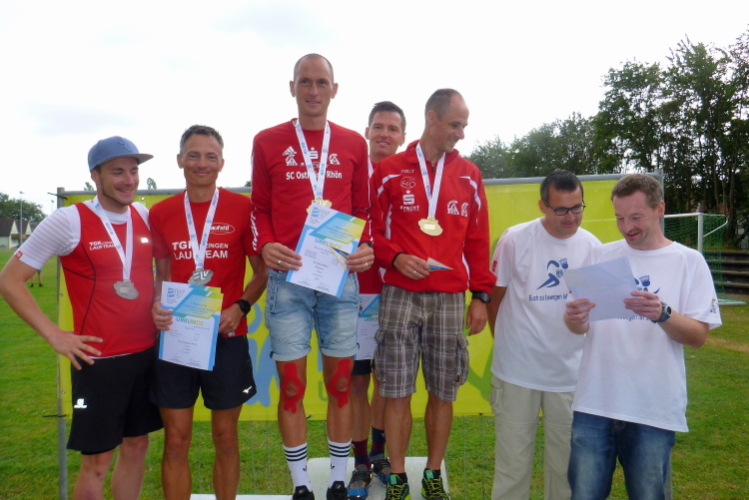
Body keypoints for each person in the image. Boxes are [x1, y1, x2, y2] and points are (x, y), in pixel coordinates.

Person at [0, 136, 162, 500]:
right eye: (117, 171)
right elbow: (9, 281)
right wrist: (54, 334)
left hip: (144, 355)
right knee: (97, 462)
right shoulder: (68, 220)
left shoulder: (144, 216)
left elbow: (151, 273)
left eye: (133, 171)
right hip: (97, 361)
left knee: (137, 447)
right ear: (95, 176)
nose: (128, 180)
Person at [250, 54, 374, 500]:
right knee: (292, 386)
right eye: (305, 81)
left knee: (341, 384)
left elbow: (364, 210)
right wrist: (266, 244)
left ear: (334, 89)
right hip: (289, 280)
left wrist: (365, 246)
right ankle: (301, 485)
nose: (314, 90)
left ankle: (338, 478)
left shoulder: (353, 143)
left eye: (322, 82)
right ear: (292, 87)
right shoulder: (267, 141)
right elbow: (259, 208)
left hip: (339, 279)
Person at [369, 89, 494, 500]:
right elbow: (371, 230)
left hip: (449, 297)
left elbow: (477, 240)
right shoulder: (388, 171)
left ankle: (433, 472)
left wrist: (481, 296)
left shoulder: (469, 175)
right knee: (396, 390)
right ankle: (398, 476)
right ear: (432, 119)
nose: (460, 134)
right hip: (400, 292)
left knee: (443, 391)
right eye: (455, 125)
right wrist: (395, 257)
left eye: (464, 126)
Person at [564, 173, 722, 500]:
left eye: (636, 217)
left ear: (659, 209)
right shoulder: (599, 256)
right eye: (620, 218)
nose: (627, 227)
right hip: (595, 403)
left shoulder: (689, 261)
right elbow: (579, 327)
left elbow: (698, 336)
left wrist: (662, 314)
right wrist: (574, 319)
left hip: (652, 408)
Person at [150, 125, 267, 500]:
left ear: (222, 163)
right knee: (176, 439)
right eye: (194, 155)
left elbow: (262, 272)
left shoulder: (242, 208)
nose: (202, 163)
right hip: (177, 338)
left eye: (210, 156)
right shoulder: (161, 212)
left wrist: (241, 307)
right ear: (180, 160)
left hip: (226, 338)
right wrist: (156, 305)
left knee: (225, 437)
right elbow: (161, 276)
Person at [487, 171, 601, 500]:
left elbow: (594, 314)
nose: (571, 217)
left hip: (570, 376)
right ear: (542, 206)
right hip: (517, 375)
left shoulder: (592, 247)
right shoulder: (514, 240)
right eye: (561, 209)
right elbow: (494, 300)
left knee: (566, 472)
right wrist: (510, 347)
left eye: (577, 207)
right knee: (512, 470)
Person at [347, 101, 407, 500]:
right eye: (378, 126)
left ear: (403, 136)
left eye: (392, 128)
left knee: (388, 379)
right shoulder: (352, 174)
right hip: (354, 290)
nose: (385, 134)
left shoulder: (410, 179)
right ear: (367, 131)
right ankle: (360, 462)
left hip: (397, 292)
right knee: (357, 380)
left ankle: (380, 454)